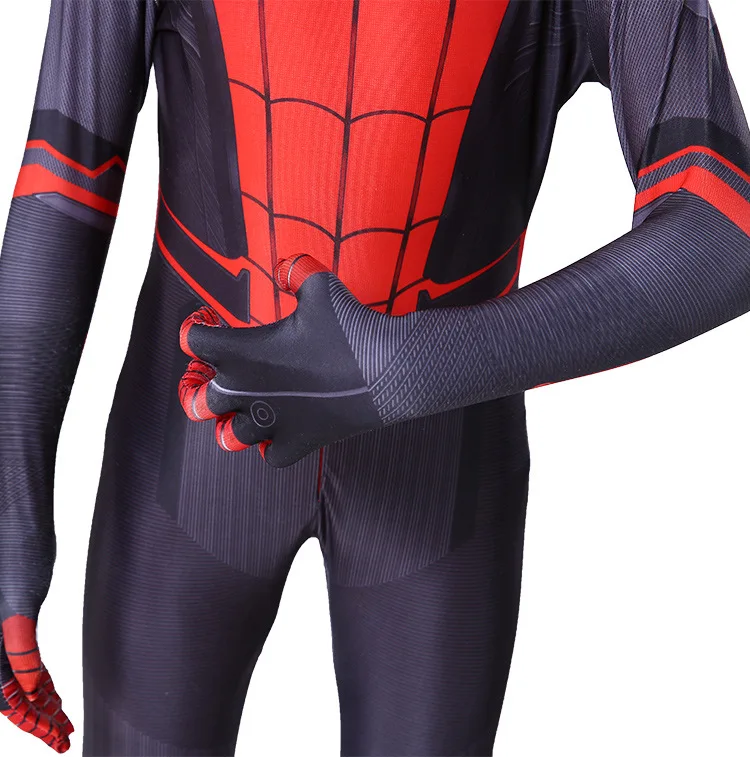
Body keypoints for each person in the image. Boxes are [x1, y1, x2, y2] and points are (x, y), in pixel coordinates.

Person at [1, 0, 749, 754]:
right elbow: (67, 179)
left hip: (421, 466)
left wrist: (408, 367)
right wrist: (11, 510)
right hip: (205, 445)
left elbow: (725, 229)